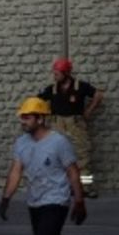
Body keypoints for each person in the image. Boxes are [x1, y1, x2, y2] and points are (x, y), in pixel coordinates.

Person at [0, 97, 88, 235]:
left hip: (56, 201)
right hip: (35, 202)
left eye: (27, 117)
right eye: (22, 117)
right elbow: (16, 171)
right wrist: (6, 198)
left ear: (40, 118)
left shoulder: (59, 142)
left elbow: (73, 172)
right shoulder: (22, 143)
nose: (23, 121)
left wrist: (79, 201)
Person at [38, 58, 104, 197]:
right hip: (57, 125)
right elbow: (38, 101)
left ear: (66, 73)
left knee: (83, 157)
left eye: (57, 74)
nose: (54, 76)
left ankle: (85, 188)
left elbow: (98, 95)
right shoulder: (52, 89)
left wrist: (89, 110)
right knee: (57, 156)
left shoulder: (80, 86)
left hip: (76, 125)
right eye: (54, 73)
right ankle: (61, 187)